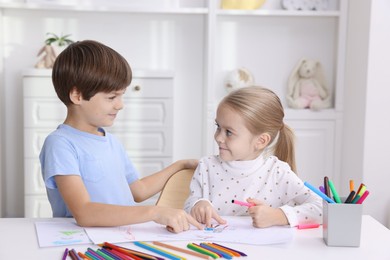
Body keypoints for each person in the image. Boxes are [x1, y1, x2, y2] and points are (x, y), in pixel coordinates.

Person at [39, 40, 202, 233]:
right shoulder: (60, 144)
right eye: (111, 97)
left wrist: (180, 165)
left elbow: (138, 191)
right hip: (87, 241)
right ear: (77, 95)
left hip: (122, 236)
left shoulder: (110, 141)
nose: (120, 105)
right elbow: (84, 213)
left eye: (121, 96)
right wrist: (154, 212)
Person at [184, 86, 322, 228]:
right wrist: (198, 204)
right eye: (218, 126)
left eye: (229, 132)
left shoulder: (278, 172)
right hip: (214, 248)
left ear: (261, 141)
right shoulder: (206, 167)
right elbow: (189, 204)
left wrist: (278, 216)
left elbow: (322, 208)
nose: (219, 137)